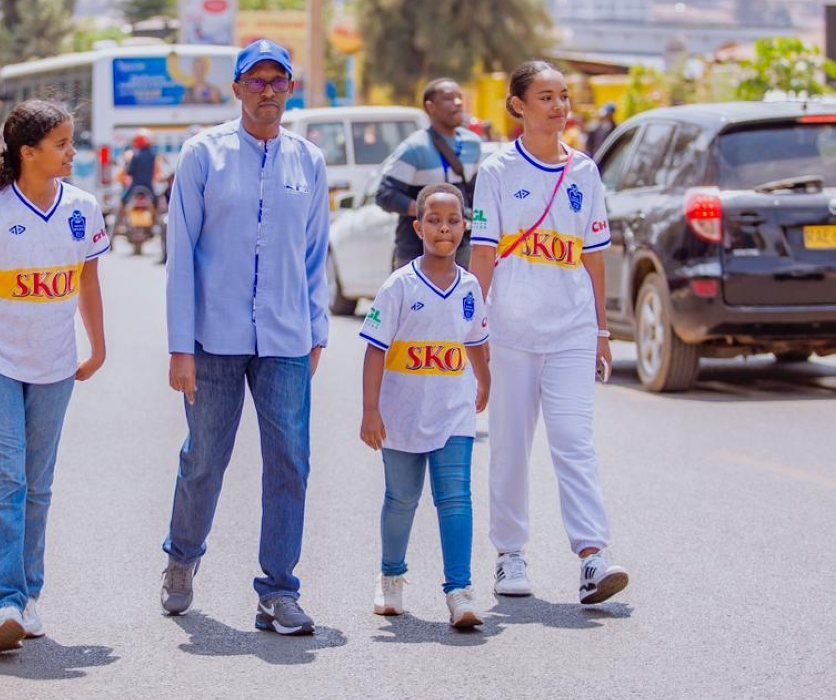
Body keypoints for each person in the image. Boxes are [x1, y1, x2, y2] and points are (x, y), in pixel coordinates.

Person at [161, 39, 330, 636]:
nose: (266, 91)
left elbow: (314, 256)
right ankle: (182, 558)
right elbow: (180, 253)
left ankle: (278, 591)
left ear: (290, 88)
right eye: (255, 81)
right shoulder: (203, 155)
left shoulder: (308, 161)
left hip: (286, 337)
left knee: (291, 462)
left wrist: (318, 330)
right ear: (236, 89)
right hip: (214, 339)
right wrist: (181, 345)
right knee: (204, 458)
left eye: (277, 81)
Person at [0, 99, 109, 653]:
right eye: (61, 144)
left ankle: (29, 595)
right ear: (27, 153)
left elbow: (87, 282)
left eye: (71, 142)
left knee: (38, 486)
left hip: (55, 365)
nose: (71, 152)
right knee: (4, 480)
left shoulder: (83, 207)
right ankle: (3, 603)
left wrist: (98, 346)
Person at [467, 60, 629, 605]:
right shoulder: (497, 171)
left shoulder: (585, 170)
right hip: (511, 329)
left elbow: (594, 256)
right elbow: (484, 253)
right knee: (510, 446)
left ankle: (592, 556)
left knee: (574, 441)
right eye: (546, 97)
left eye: (563, 97)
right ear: (518, 105)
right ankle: (510, 554)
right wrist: (475, 328)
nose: (559, 107)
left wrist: (603, 330)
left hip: (572, 329)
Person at [360, 182, 490, 628]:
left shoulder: (470, 286)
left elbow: (475, 340)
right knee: (401, 500)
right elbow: (375, 349)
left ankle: (459, 591)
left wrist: (485, 378)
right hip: (402, 414)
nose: (444, 229)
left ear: (464, 227)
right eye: (434, 220)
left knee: (455, 498)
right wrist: (371, 410)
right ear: (417, 227)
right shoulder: (399, 285)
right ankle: (391, 577)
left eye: (453, 221)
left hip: (453, 410)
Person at [376, 78, 482, 270]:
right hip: (415, 253)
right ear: (430, 107)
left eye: (459, 98)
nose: (457, 103)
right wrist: (430, 214)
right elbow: (385, 195)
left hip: (461, 250)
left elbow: (474, 195)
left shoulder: (473, 144)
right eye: (448, 98)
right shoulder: (414, 148)